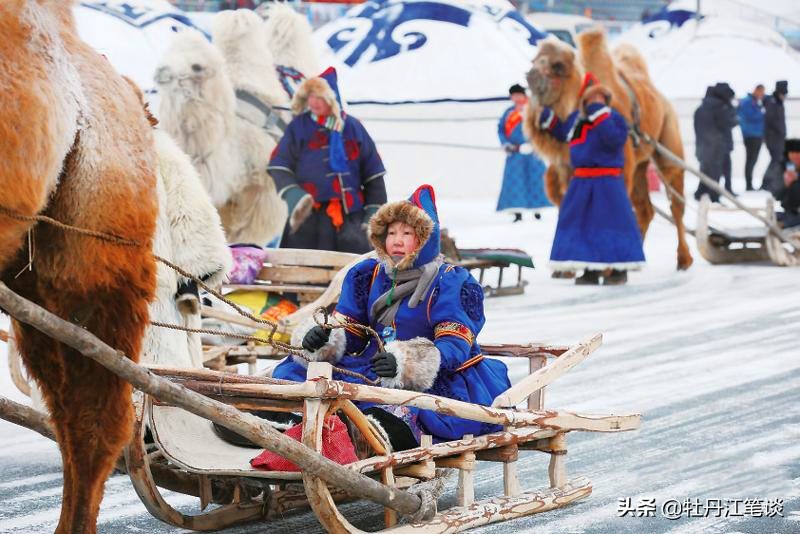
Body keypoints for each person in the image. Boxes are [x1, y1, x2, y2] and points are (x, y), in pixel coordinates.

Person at [273, 185, 511, 448]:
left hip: (435, 376)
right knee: (296, 369)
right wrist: (326, 338)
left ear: (424, 240)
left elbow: (454, 346)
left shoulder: (451, 281)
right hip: (375, 365)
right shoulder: (368, 274)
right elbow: (351, 329)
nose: (397, 240)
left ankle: (368, 432)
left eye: (407, 233)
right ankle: (282, 417)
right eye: (392, 233)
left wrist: (406, 364)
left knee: (399, 403)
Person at [536, 74, 645, 285]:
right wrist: (547, 116)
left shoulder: (613, 118)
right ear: (584, 102)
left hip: (608, 183)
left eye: (600, 99)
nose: (596, 103)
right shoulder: (578, 121)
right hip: (582, 183)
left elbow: (614, 139)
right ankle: (589, 269)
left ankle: (617, 270)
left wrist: (600, 114)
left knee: (611, 225)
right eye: (592, 100)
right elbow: (561, 132)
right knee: (581, 226)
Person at [268, 67, 387, 254]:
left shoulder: (353, 127)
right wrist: (294, 196)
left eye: (319, 97)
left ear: (332, 99)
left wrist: (374, 213)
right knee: (301, 272)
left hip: (350, 219)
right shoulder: (299, 127)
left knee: (351, 273)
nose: (313, 102)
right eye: (310, 96)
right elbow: (278, 164)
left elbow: (373, 173)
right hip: (307, 219)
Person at [496, 84, 551, 222]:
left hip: (533, 151)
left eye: (517, 95)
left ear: (523, 95)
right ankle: (517, 212)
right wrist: (506, 144)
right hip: (515, 152)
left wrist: (537, 143)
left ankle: (537, 210)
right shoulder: (509, 112)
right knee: (516, 182)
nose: (515, 98)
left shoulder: (533, 110)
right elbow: (501, 129)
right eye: (513, 96)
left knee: (536, 179)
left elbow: (542, 128)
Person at [693, 85, 737, 202]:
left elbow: (697, 129)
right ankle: (714, 196)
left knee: (705, 171)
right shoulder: (719, 109)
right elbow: (727, 124)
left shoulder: (700, 109)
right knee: (714, 172)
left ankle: (701, 193)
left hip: (703, 145)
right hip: (716, 146)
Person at [762, 80, 788, 195]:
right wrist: (779, 131)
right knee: (776, 160)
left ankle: (768, 182)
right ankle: (767, 183)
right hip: (773, 138)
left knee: (776, 160)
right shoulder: (772, 103)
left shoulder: (778, 103)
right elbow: (770, 120)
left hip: (778, 137)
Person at [738, 84, 766, 191]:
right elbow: (748, 116)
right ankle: (748, 184)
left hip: (757, 135)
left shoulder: (755, 102)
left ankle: (750, 184)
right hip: (750, 135)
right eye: (761, 92)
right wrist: (762, 113)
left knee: (753, 160)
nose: (762, 95)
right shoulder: (747, 101)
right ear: (756, 90)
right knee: (750, 160)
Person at [714, 82, 737, 194]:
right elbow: (727, 122)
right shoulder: (720, 106)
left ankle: (726, 188)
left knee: (726, 168)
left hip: (723, 142)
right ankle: (717, 191)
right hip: (719, 143)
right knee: (718, 169)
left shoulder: (724, 105)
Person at [776, 138, 800, 229]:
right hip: (790, 210)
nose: (796, 158)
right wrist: (786, 184)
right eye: (793, 155)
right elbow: (777, 196)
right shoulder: (783, 168)